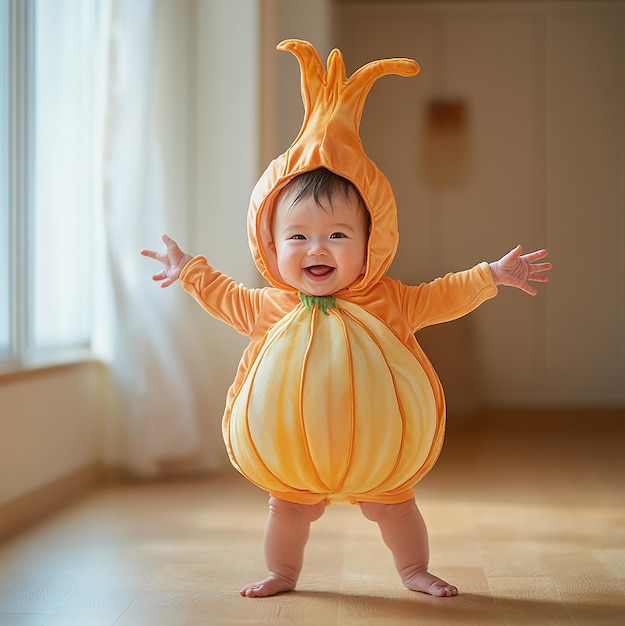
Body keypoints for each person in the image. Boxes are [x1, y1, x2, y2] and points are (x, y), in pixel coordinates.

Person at [141, 41, 551, 599]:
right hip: (294, 457)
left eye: (338, 235)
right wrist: (188, 269)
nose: (319, 248)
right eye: (298, 236)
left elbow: (443, 295)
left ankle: (413, 571)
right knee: (285, 512)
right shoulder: (271, 305)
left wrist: (492, 275)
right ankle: (282, 574)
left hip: (379, 455)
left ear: (370, 242)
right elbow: (224, 295)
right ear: (270, 243)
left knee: (396, 511)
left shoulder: (389, 299)